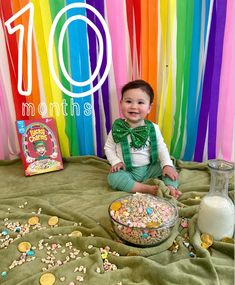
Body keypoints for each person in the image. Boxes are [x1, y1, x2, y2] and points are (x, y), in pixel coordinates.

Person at [104, 79, 181, 198]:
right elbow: (108, 147)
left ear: (149, 107)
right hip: (127, 170)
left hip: (150, 167)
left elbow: (161, 148)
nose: (134, 106)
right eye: (128, 101)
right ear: (121, 103)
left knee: (170, 167)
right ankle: (145, 188)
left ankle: (170, 188)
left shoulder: (153, 128)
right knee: (113, 177)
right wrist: (116, 162)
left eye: (140, 102)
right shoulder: (117, 128)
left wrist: (166, 165)